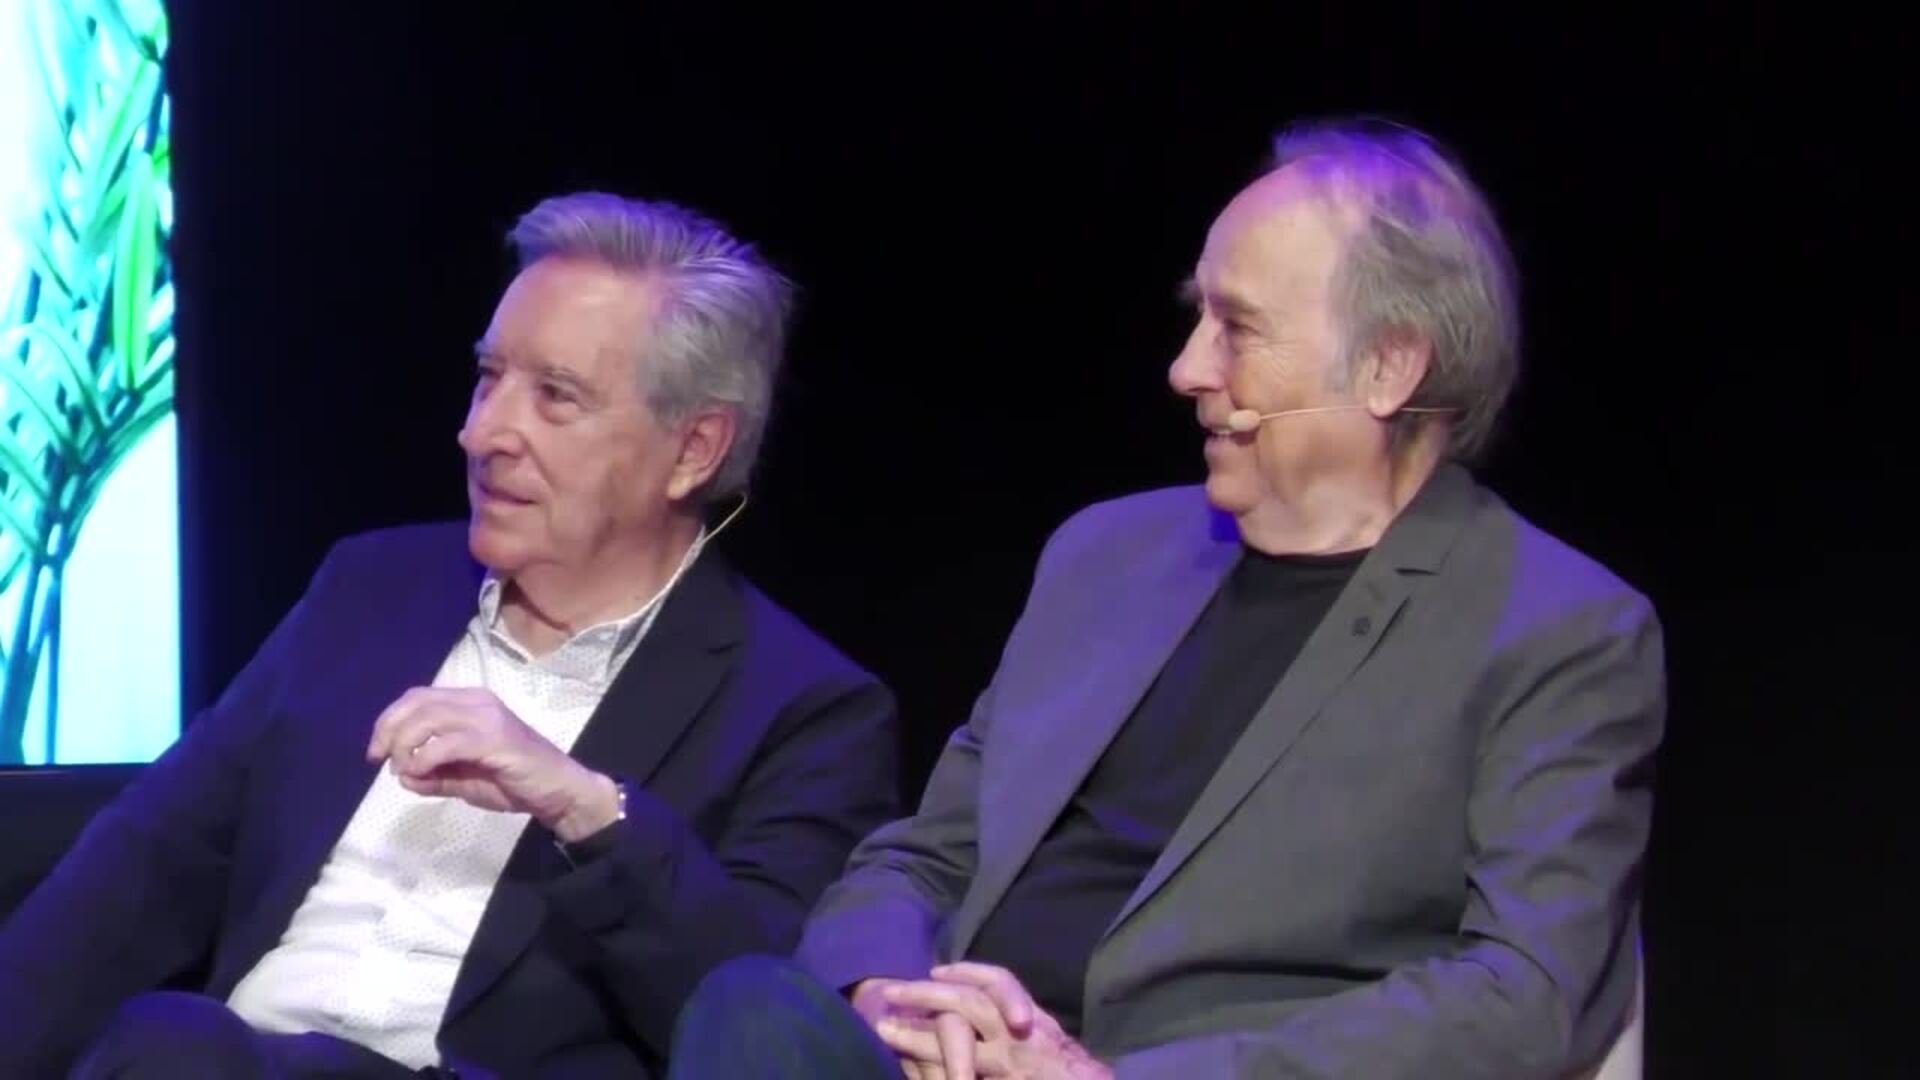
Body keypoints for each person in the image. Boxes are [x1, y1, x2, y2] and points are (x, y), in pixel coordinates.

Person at [669, 119, 1666, 1079]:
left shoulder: (1556, 630)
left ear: (1387, 366)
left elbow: (1525, 994)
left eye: (1239, 329)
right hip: (945, 1063)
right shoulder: (1105, 557)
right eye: (1199, 318)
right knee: (750, 1006)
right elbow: (925, 856)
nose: (1187, 369)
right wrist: (890, 996)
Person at [0, 192, 901, 1079]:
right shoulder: (372, 589)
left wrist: (588, 812)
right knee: (174, 1044)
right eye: (488, 376)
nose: (482, 432)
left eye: (556, 397)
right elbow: (146, 866)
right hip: (228, 1059)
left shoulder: (806, 711)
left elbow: (751, 1024)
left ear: (694, 449)